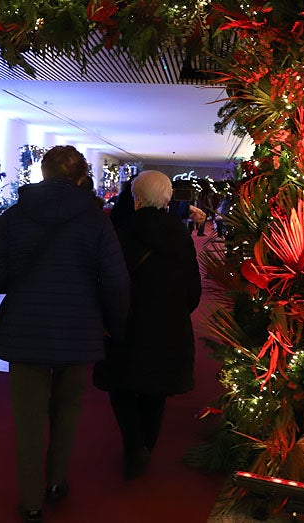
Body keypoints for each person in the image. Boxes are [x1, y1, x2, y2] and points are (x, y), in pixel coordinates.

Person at [0, 145, 130, 523]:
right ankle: (55, 482)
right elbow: (115, 280)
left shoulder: (14, 216)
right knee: (67, 410)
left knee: (28, 418)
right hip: (78, 329)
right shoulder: (96, 220)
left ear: (43, 173)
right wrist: (115, 325)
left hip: (26, 329)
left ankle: (31, 502)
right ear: (81, 178)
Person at [94, 170, 202, 479]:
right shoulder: (180, 236)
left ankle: (134, 445)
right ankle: (146, 447)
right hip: (168, 325)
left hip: (127, 324)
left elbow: (109, 282)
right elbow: (192, 290)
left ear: (135, 197)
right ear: (168, 198)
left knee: (121, 386)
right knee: (157, 390)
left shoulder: (121, 232)